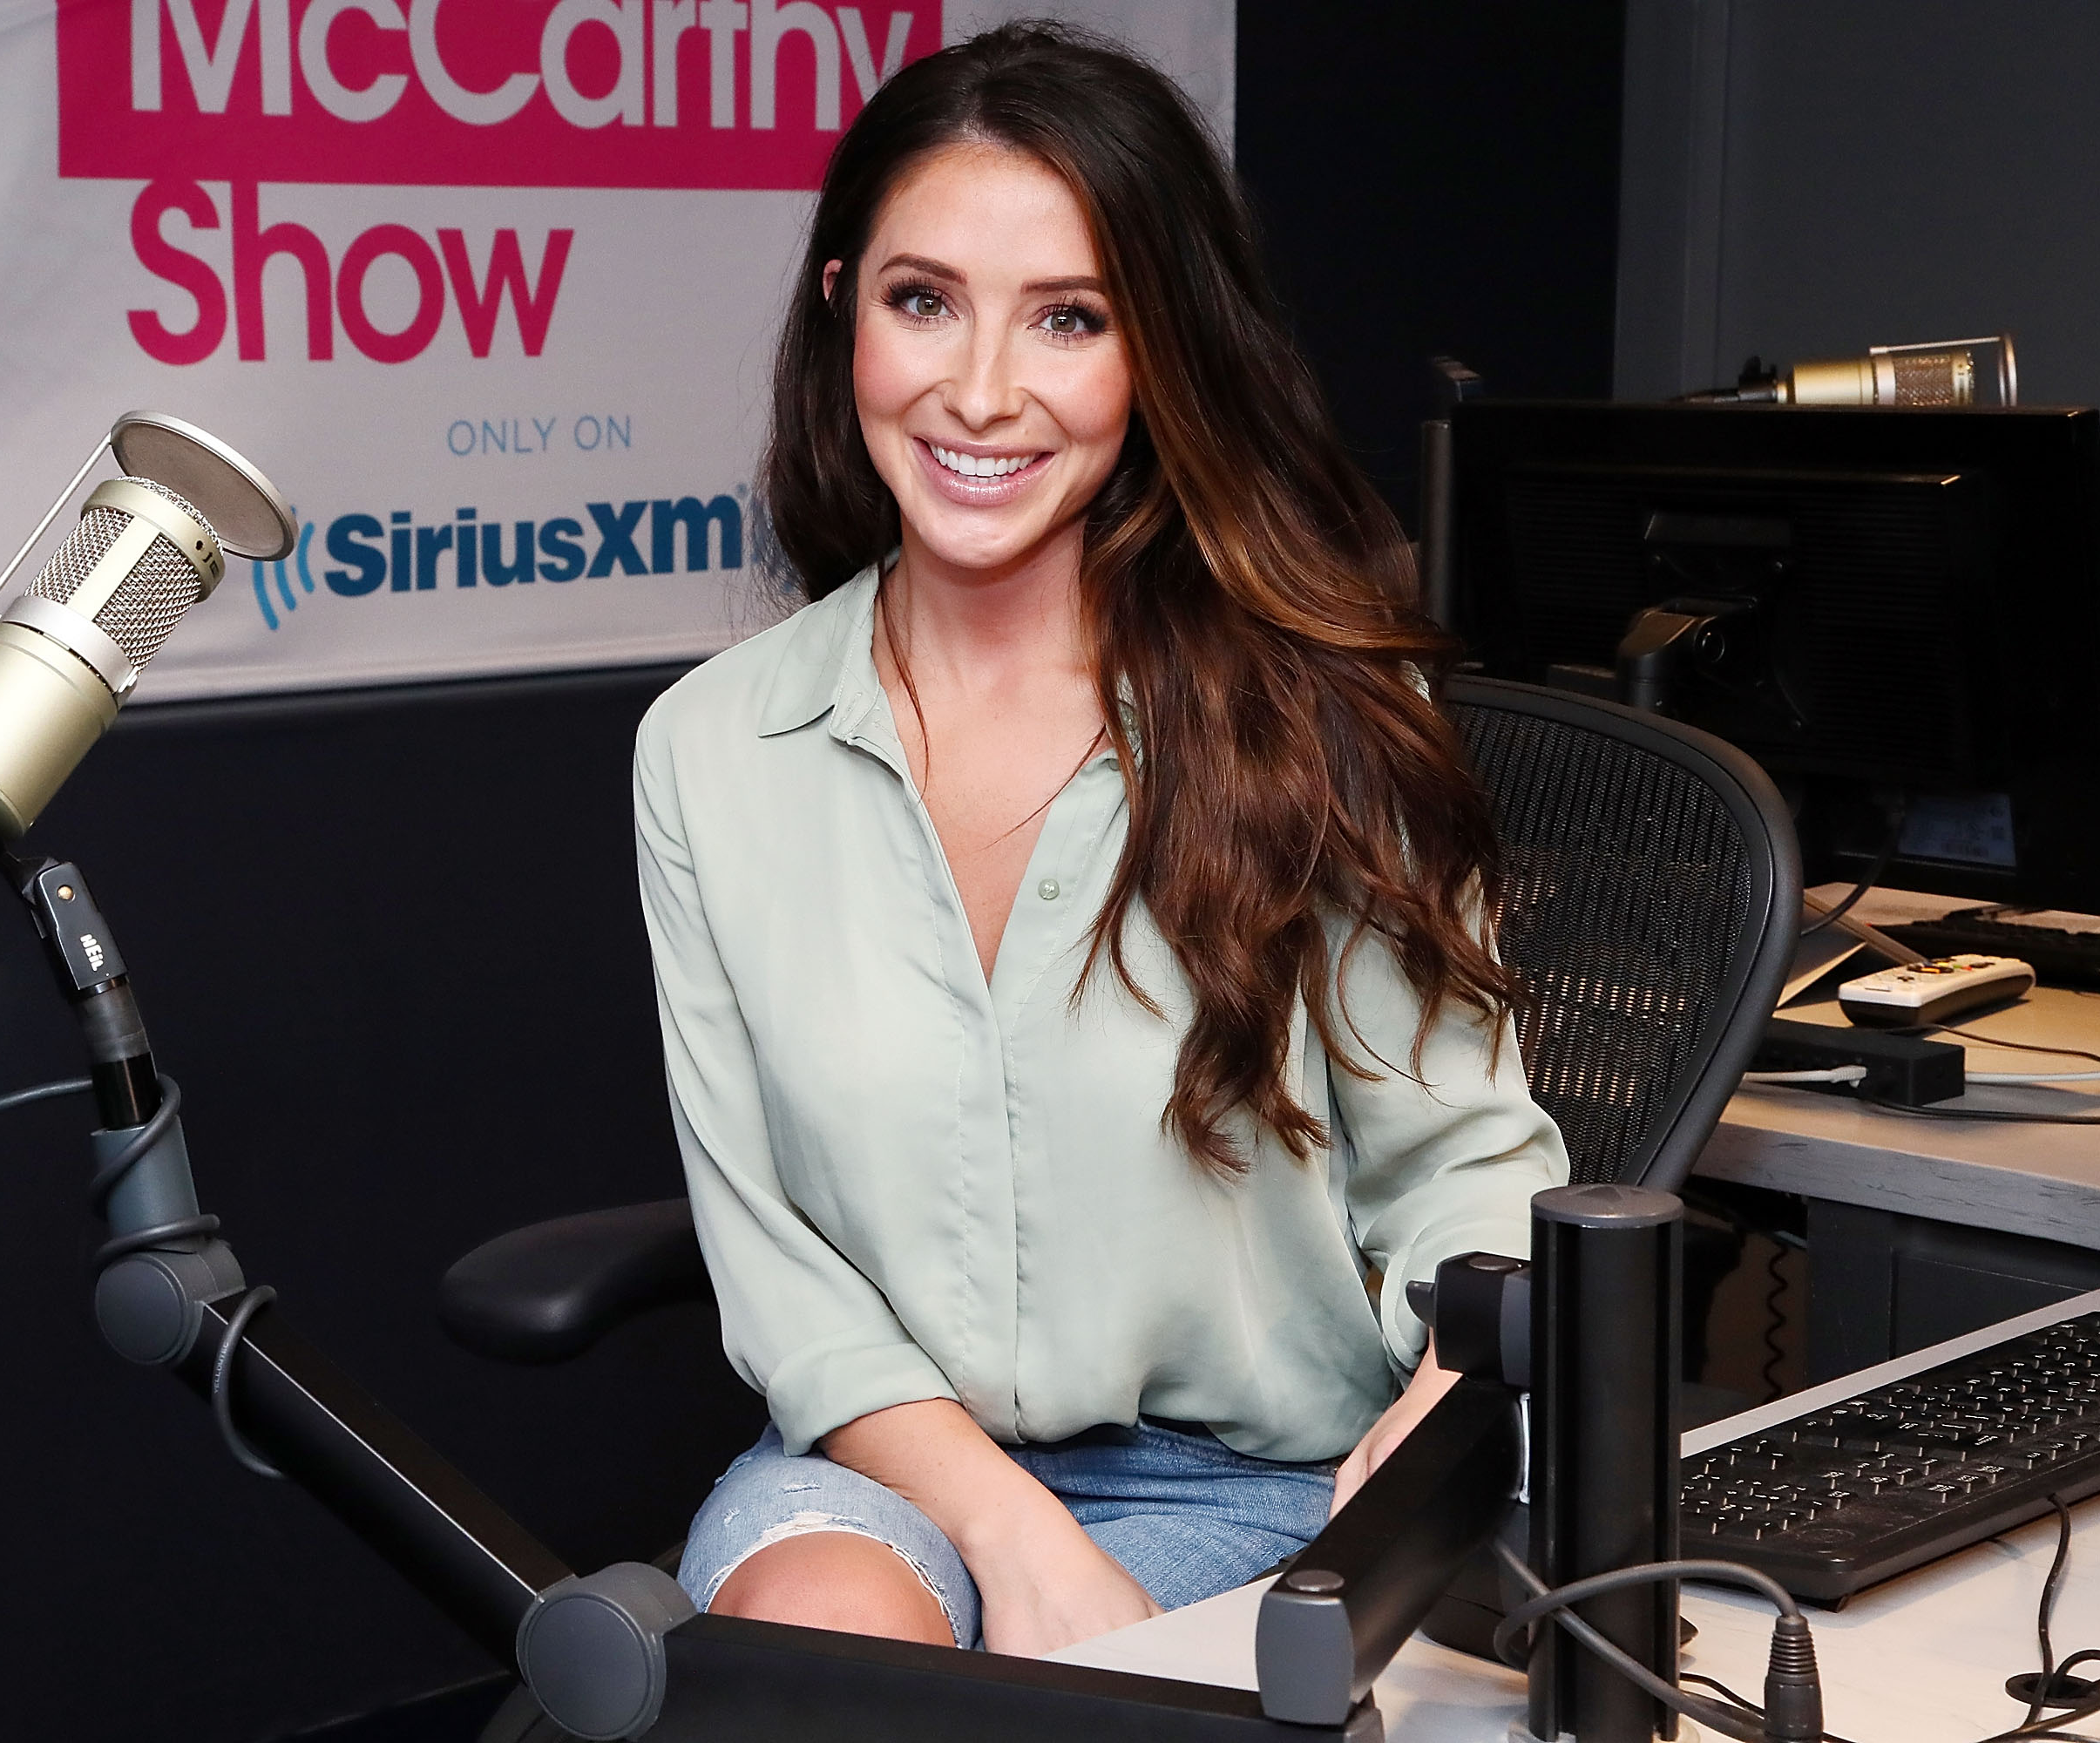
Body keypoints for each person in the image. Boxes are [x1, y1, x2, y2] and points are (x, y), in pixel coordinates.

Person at [632, 23, 1567, 1660]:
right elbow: (779, 1270)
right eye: (925, 300)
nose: (981, 392)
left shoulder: (1318, 717)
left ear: (1162, 355)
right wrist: (1021, 1547)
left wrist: (1431, 1428)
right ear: (843, 302)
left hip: (1277, 1487)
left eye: (1069, 319)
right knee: (818, 1657)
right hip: (890, 1473)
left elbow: (1474, 1172)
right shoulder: (710, 750)